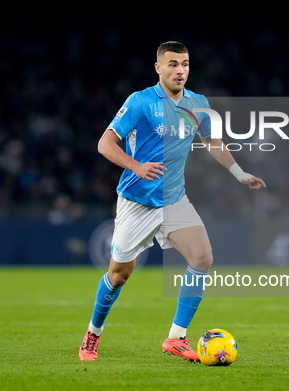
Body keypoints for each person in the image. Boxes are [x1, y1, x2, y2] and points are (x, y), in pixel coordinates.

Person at [79, 41, 266, 362]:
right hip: (137, 202)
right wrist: (136, 166)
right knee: (118, 275)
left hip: (174, 200)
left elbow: (212, 140)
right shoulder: (140, 102)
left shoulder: (198, 103)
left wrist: (239, 173)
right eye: (173, 64)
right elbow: (104, 143)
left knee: (203, 257)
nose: (180, 70)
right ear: (159, 68)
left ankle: (176, 338)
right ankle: (92, 335)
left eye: (185, 64)